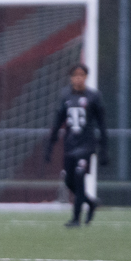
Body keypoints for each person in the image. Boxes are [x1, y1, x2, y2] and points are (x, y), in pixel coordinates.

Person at [44, 63, 108, 227]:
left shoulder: (94, 96)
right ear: (71, 78)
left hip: (86, 146)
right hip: (70, 145)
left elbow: (102, 124)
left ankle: (75, 219)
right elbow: (58, 121)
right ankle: (91, 203)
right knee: (69, 182)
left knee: (80, 181)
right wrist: (50, 146)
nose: (78, 78)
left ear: (86, 77)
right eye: (75, 75)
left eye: (82, 75)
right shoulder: (65, 96)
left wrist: (104, 150)